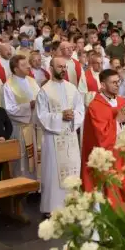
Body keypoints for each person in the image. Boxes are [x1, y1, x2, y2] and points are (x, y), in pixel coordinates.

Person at [82, 69, 125, 205]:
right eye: (113, 82)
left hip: (124, 154)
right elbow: (100, 135)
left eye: (118, 82)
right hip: (107, 156)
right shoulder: (95, 106)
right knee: (111, 189)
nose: (117, 85)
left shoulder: (122, 101)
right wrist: (117, 121)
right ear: (102, 85)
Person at [36, 56, 84, 217]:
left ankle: (72, 205)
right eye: (59, 67)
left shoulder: (72, 88)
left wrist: (73, 117)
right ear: (51, 68)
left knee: (72, 171)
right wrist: (60, 117)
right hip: (53, 138)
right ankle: (53, 208)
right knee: (53, 173)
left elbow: (80, 109)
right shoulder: (44, 91)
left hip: (69, 136)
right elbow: (40, 116)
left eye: (65, 67)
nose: (63, 69)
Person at [3, 55, 41, 179]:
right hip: (21, 130)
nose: (28, 67)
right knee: (23, 162)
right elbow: (9, 110)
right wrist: (28, 106)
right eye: (24, 65)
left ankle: (37, 186)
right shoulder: (8, 86)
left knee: (37, 158)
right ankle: (25, 190)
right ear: (15, 69)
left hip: (36, 127)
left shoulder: (32, 81)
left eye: (27, 64)